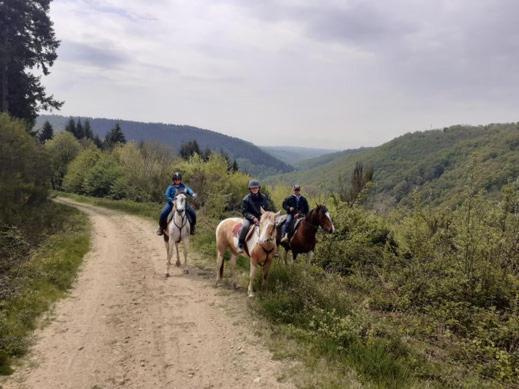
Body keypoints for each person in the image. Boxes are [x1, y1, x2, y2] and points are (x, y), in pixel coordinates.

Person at [237, 179, 273, 253]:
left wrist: (266, 216)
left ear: (259, 188)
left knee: (272, 226)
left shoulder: (263, 197)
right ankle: (240, 244)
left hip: (262, 217)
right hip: (249, 218)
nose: (255, 189)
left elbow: (267, 208)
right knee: (245, 226)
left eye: (256, 188)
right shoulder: (246, 199)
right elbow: (244, 212)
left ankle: (273, 247)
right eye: (253, 188)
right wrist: (253, 218)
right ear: (250, 189)